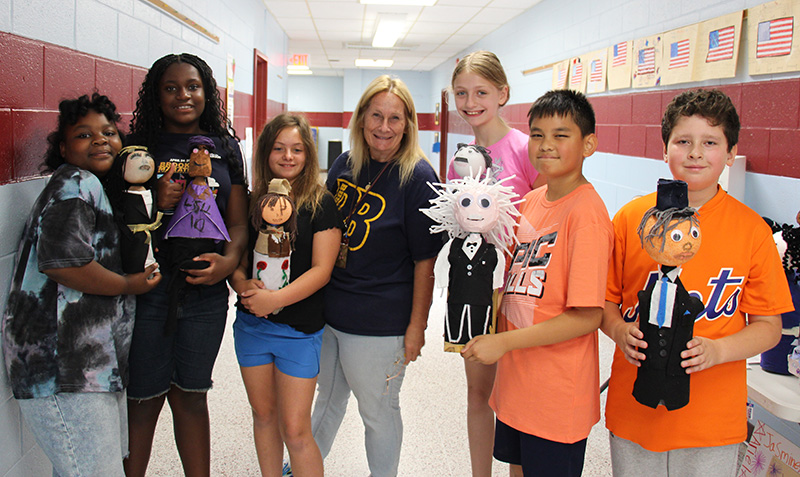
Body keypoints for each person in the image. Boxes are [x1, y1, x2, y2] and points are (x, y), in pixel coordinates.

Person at [601, 89, 794, 476]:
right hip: (636, 409)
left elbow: (769, 328)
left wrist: (719, 351)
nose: (695, 153)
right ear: (664, 148)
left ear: (731, 152)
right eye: (683, 141)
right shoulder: (630, 219)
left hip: (711, 417)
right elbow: (604, 303)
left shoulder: (751, 230)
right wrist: (620, 330)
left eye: (710, 142)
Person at [1, 93, 160, 476]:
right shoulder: (76, 184)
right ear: (62, 147)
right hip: (62, 368)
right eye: (84, 135)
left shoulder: (90, 185)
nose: (101, 139)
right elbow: (65, 265)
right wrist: (129, 284)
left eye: (108, 132)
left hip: (82, 368)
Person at [462, 89, 613, 477]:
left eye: (561, 135)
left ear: (588, 144)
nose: (546, 145)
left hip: (557, 397)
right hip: (518, 388)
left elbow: (586, 316)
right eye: (537, 134)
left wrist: (503, 342)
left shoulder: (587, 215)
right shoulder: (531, 201)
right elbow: (510, 284)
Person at [310, 75, 443, 477]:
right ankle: (303, 466)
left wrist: (417, 327)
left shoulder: (419, 179)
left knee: (378, 413)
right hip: (332, 310)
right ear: (361, 119)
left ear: (408, 124)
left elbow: (426, 264)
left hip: (380, 322)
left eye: (395, 119)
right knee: (327, 400)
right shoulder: (344, 164)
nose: (384, 128)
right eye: (376, 116)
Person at [123, 53, 249, 477]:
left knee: (192, 396)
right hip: (149, 292)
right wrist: (153, 201)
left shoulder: (225, 148)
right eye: (171, 87)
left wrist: (228, 263)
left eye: (192, 86)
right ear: (156, 95)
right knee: (142, 399)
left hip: (206, 295)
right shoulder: (139, 151)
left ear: (206, 92)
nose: (183, 96)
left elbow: (237, 221)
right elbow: (115, 222)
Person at [446, 50, 545, 476]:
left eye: (481, 91)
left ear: (503, 93)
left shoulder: (525, 148)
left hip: (521, 284)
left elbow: (548, 212)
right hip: (474, 285)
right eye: (462, 93)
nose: (471, 102)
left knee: (517, 395)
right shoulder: (460, 158)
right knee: (478, 392)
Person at [230, 113, 342, 477]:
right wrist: (243, 285)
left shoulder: (320, 204)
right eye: (279, 148)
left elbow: (321, 271)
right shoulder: (253, 203)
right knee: (263, 417)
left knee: (294, 430)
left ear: (309, 154)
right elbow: (238, 260)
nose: (288, 156)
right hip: (251, 327)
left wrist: (274, 301)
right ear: (265, 153)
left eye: (296, 149)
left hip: (299, 331)